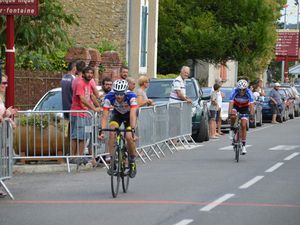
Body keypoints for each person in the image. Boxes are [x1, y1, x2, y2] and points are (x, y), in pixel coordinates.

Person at [98, 79, 138, 178]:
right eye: (117, 93)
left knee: (129, 137)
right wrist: (102, 130)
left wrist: (132, 130)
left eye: (121, 94)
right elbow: (105, 115)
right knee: (112, 133)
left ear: (125, 92)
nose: (119, 96)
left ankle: (132, 161)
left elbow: (133, 114)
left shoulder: (131, 96)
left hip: (129, 116)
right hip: (117, 115)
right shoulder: (109, 97)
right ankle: (112, 162)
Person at [70, 66, 101, 164]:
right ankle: (74, 157)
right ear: (83, 74)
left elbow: (91, 96)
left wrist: (99, 107)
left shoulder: (88, 84)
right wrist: (94, 108)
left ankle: (79, 156)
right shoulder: (80, 83)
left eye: (91, 73)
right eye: (88, 73)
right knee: (77, 136)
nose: (90, 75)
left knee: (83, 136)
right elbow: (82, 99)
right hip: (78, 113)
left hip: (85, 114)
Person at [228, 79, 255, 155]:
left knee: (243, 125)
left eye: (243, 90)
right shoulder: (234, 91)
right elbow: (230, 104)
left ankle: (243, 146)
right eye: (240, 90)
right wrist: (229, 115)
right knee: (233, 115)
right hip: (236, 106)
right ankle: (232, 129)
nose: (241, 92)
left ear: (246, 89)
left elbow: (252, 106)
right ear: (238, 89)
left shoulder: (249, 92)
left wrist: (252, 116)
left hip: (245, 108)